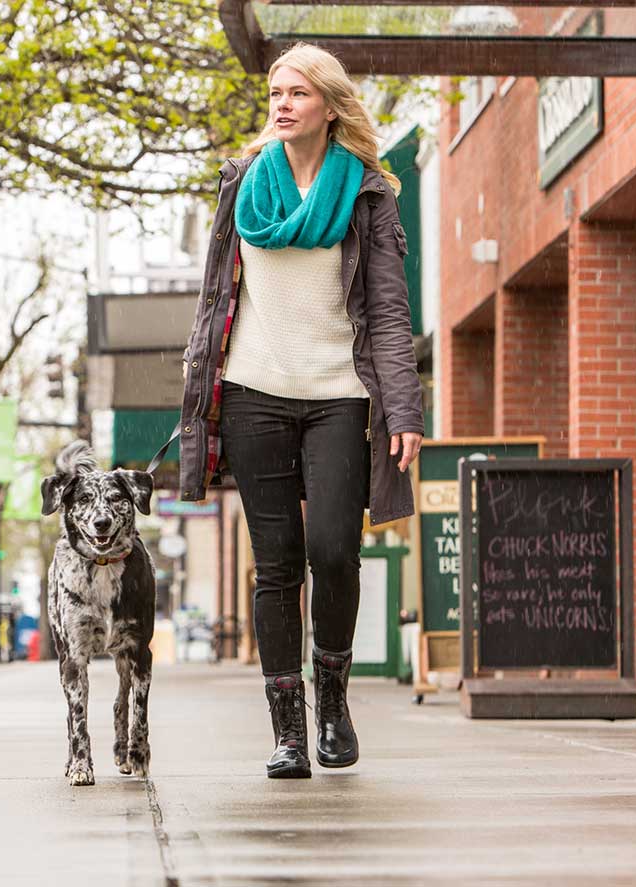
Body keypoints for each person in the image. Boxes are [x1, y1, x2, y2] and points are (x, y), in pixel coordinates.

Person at [178, 43, 424, 779]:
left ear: (329, 105)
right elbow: (216, 298)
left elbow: (386, 309)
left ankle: (334, 701)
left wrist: (404, 408)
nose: (282, 103)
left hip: (340, 398)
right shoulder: (243, 185)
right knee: (277, 565)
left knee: (335, 552)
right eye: (276, 92)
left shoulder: (367, 194)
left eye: (298, 93)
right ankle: (287, 729)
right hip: (256, 394)